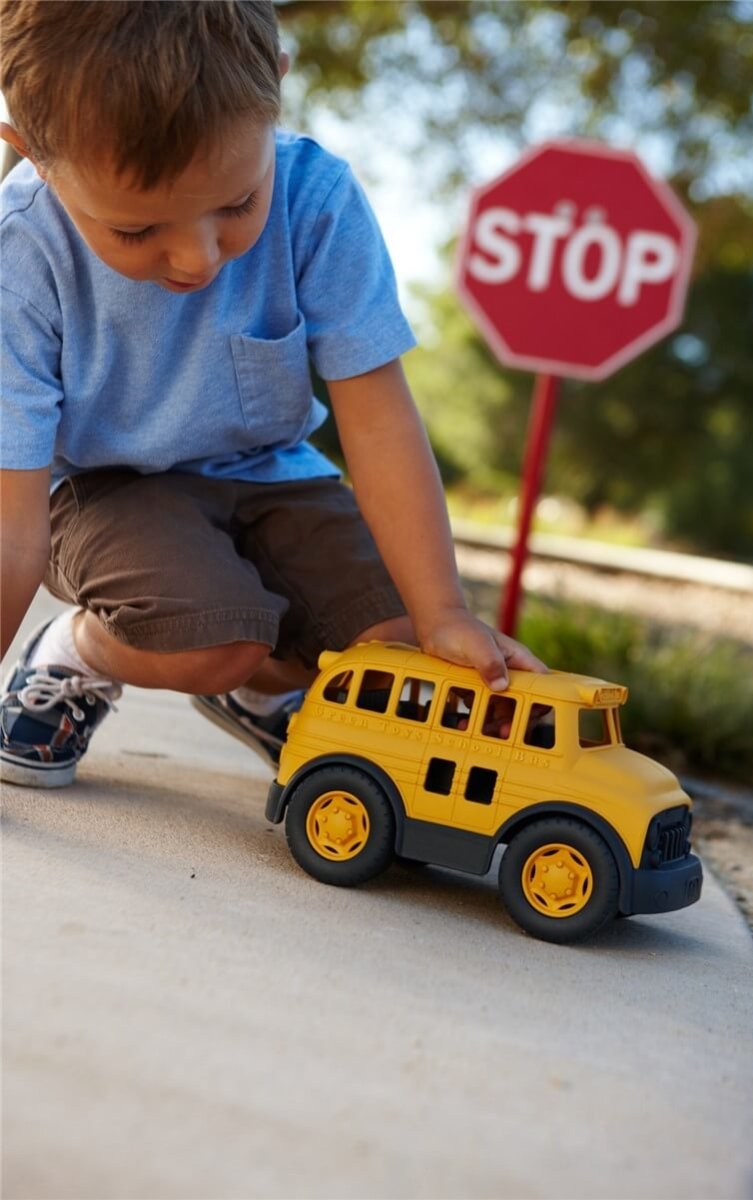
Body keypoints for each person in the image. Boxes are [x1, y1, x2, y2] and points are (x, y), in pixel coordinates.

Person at [0, 0, 545, 790]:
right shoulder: (19, 257)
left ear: (276, 87)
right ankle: (76, 655)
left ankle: (265, 696)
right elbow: (11, 522)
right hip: (103, 490)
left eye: (235, 205)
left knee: (393, 655)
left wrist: (443, 613)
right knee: (213, 642)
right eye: (135, 231)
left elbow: (379, 419)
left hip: (272, 470)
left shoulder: (317, 200)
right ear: (35, 156)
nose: (196, 258)